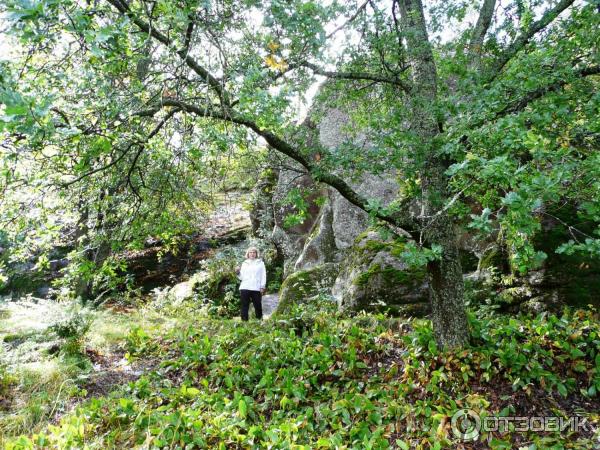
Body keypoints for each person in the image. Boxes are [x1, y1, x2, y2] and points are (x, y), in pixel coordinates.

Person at [236, 246, 266, 321]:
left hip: (256, 287)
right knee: (244, 306)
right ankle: (244, 322)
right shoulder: (244, 263)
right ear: (248, 254)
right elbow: (241, 277)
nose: (252, 254)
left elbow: (263, 275)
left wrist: (262, 286)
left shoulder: (261, 263)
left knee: (258, 305)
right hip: (245, 287)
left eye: (254, 252)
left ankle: (259, 321)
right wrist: (238, 272)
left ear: (256, 254)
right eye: (250, 252)